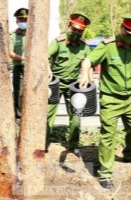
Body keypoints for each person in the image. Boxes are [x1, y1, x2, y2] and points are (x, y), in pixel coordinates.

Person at [79, 14, 131, 189]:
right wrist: (84, 74)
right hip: (111, 98)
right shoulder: (108, 46)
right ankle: (105, 174)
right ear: (122, 28)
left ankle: (129, 154)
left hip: (130, 98)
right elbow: (87, 61)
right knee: (108, 136)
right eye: (127, 32)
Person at [46, 13, 91, 154]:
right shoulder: (58, 42)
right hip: (55, 83)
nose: (76, 32)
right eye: (74, 29)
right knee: (48, 114)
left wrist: (88, 79)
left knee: (76, 115)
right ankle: (43, 144)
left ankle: (74, 144)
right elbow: (45, 57)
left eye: (80, 31)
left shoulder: (84, 46)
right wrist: (47, 70)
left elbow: (88, 62)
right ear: (69, 26)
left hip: (74, 84)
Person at [9, 8, 28, 121]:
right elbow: (10, 53)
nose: (22, 21)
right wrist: (23, 58)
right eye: (20, 19)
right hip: (19, 67)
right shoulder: (12, 35)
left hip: (32, 68)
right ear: (16, 21)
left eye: (24, 19)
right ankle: (19, 116)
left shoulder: (35, 34)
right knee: (19, 92)